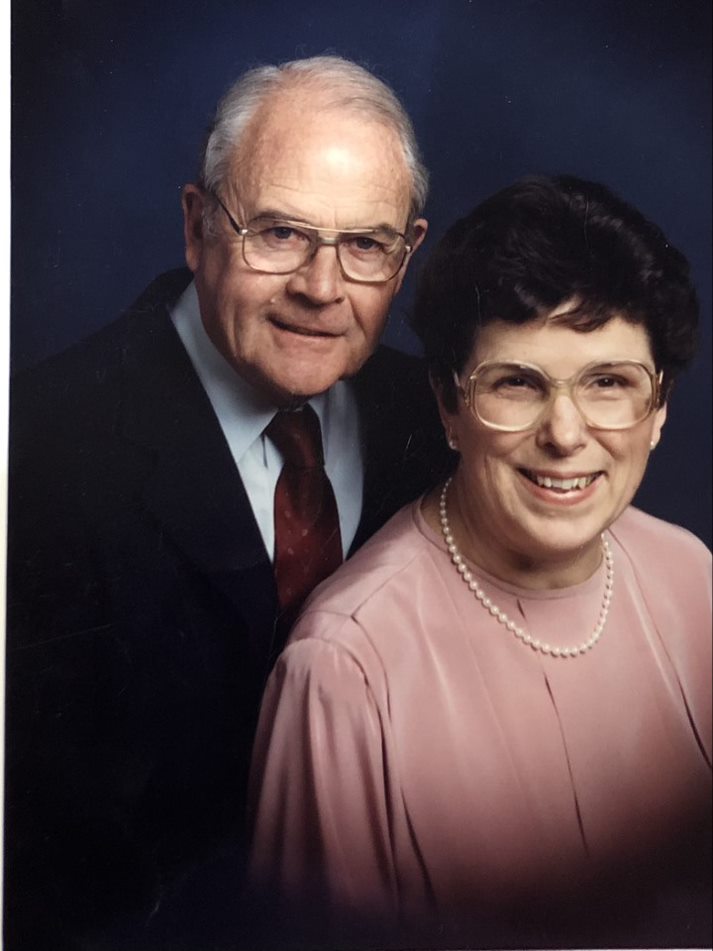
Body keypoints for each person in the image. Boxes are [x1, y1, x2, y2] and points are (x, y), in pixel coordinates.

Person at [5, 56, 447, 951]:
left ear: (407, 253)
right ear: (196, 225)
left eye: (365, 245)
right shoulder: (38, 449)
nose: (321, 288)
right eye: (278, 232)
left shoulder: (438, 424)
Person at [248, 175, 712, 950]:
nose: (564, 434)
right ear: (449, 405)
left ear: (658, 407)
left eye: (608, 383)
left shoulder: (692, 578)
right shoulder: (340, 669)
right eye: (517, 384)